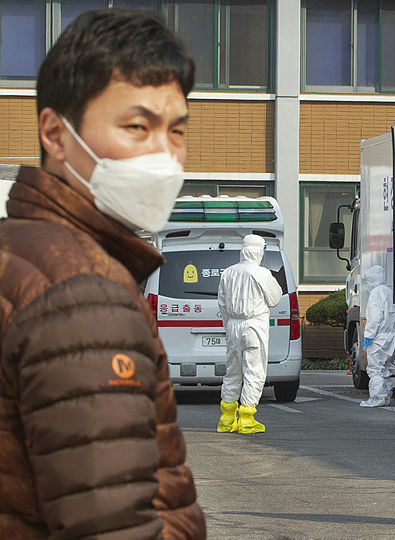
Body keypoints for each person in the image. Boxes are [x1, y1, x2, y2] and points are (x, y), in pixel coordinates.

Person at [0, 9, 204, 537]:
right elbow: (112, 525)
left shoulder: (20, 253)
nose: (164, 155)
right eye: (137, 127)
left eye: (176, 131)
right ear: (55, 134)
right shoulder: (83, 295)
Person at [217, 234, 283, 433]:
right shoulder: (262, 273)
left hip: (233, 325)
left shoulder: (228, 273)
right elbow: (274, 299)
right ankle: (246, 419)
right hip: (254, 325)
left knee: (233, 371)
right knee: (254, 370)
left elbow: (222, 304)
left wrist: (229, 325)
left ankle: (227, 419)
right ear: (259, 251)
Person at [360, 266, 395, 407]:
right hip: (391, 337)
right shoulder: (389, 292)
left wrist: (368, 336)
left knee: (375, 369)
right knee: (385, 369)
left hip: (379, 339)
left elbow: (375, 317)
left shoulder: (375, 293)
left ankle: (377, 398)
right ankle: (386, 396)